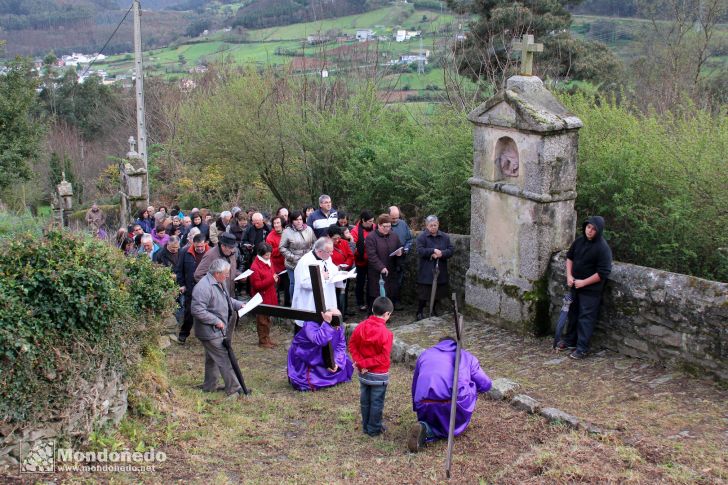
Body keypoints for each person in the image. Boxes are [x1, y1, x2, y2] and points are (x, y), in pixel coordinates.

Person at [407, 337, 492, 452]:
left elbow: (415, 384)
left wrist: (416, 406)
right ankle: (434, 431)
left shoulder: (425, 355)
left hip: (423, 403)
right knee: (471, 386)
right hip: (451, 404)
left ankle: (425, 427)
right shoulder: (466, 356)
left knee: (431, 418)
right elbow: (486, 384)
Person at [556, 216, 612, 360]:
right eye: (588, 227)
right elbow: (570, 258)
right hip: (575, 286)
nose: (590, 231)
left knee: (585, 318)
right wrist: (569, 276)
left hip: (591, 291)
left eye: (593, 229)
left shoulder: (603, 248)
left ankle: (582, 348)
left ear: (598, 231)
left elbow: (603, 273)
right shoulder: (579, 241)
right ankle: (570, 341)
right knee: (573, 314)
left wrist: (584, 282)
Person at [191, 259, 247, 398]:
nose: (228, 276)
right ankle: (234, 389)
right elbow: (197, 310)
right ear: (217, 273)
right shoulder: (203, 287)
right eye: (226, 273)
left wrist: (239, 304)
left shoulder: (219, 282)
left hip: (215, 330)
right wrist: (215, 321)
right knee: (224, 358)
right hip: (209, 331)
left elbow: (227, 300)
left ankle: (210, 385)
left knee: (212, 358)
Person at [348, 296, 394, 437]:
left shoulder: (361, 326)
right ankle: (373, 429)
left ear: (372, 309)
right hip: (378, 374)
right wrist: (364, 364)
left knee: (365, 401)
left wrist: (360, 362)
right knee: (376, 403)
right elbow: (383, 357)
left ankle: (366, 426)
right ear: (387, 314)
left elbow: (352, 345)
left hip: (364, 373)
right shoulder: (386, 334)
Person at [287, 308, 353, 391]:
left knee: (344, 364)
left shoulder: (338, 327)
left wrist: (336, 362)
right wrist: (327, 324)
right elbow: (319, 340)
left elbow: (341, 346)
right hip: (309, 357)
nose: (337, 328)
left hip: (328, 357)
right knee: (311, 380)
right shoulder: (310, 324)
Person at [291, 237, 339, 328]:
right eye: (329, 252)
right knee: (309, 327)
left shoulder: (326, 257)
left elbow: (331, 269)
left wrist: (340, 273)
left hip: (327, 297)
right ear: (320, 251)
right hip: (309, 301)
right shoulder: (305, 261)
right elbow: (303, 283)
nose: (331, 254)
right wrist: (321, 277)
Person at [415, 215, 454, 320]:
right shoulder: (422, 237)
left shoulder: (445, 237)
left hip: (440, 269)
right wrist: (432, 251)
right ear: (427, 226)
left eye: (435, 225)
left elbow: (451, 250)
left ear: (438, 224)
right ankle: (420, 311)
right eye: (431, 225)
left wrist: (442, 253)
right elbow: (420, 250)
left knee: (438, 292)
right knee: (424, 293)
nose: (433, 227)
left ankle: (433, 310)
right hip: (427, 269)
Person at [173, 234, 209, 344]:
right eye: (197, 246)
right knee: (189, 312)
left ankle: (208, 336)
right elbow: (179, 270)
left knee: (207, 312)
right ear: (193, 244)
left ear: (205, 243)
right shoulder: (185, 252)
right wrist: (182, 284)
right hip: (190, 287)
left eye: (201, 246)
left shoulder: (210, 253)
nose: (200, 248)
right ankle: (183, 334)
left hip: (207, 287)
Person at [365, 214, 403, 311]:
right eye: (385, 226)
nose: (387, 229)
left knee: (390, 292)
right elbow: (371, 255)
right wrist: (381, 267)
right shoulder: (371, 237)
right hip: (376, 272)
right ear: (379, 225)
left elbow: (400, 247)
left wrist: (400, 253)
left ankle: (386, 314)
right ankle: (373, 314)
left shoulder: (394, 236)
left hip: (391, 269)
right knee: (376, 294)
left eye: (389, 226)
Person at [194, 232, 241, 310]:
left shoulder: (232, 252)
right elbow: (198, 275)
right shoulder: (211, 255)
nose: (233, 250)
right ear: (223, 246)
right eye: (231, 248)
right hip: (216, 296)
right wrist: (214, 287)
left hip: (230, 292)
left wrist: (238, 275)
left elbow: (231, 269)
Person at [279, 210, 315, 300]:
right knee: (294, 283)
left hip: (307, 261)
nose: (299, 221)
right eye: (296, 219)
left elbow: (315, 243)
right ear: (292, 221)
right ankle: (293, 304)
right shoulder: (287, 231)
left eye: (300, 219)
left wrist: (311, 255)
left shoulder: (309, 229)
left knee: (307, 282)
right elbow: (282, 248)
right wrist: (293, 258)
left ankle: (306, 302)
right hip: (293, 262)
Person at [249, 242, 279, 349]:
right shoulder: (255, 267)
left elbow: (272, 273)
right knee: (262, 321)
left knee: (267, 319)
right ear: (261, 254)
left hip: (269, 294)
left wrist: (274, 277)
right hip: (261, 297)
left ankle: (267, 338)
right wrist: (272, 279)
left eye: (269, 254)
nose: (269, 256)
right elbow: (257, 285)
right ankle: (262, 341)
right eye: (266, 255)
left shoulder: (268, 261)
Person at [389, 206, 413, 310]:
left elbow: (409, 240)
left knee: (398, 280)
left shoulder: (403, 224)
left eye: (397, 218)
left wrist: (405, 249)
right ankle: (387, 303)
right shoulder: (384, 225)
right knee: (387, 280)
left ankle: (396, 301)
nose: (395, 220)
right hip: (387, 258)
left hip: (400, 257)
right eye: (393, 218)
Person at [351, 211, 376, 312]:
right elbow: (354, 247)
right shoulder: (355, 231)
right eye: (369, 221)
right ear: (363, 221)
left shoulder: (375, 227)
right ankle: (360, 302)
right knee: (360, 282)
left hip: (372, 261)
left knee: (372, 282)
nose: (372, 223)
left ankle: (370, 302)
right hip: (360, 261)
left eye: (373, 221)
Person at [328, 225, 354, 320]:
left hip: (343, 273)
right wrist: (335, 268)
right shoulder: (326, 245)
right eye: (334, 239)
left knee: (344, 293)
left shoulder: (344, 243)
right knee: (333, 294)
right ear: (329, 237)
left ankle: (343, 311)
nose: (337, 240)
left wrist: (346, 265)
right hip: (332, 275)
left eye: (339, 238)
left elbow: (350, 256)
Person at [266, 215, 290, 306]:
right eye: (274, 223)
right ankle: (276, 308)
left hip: (287, 265)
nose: (276, 225)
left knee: (288, 287)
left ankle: (288, 307)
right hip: (276, 267)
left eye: (278, 223)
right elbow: (270, 252)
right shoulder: (270, 237)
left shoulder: (287, 232)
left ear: (282, 223)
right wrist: (282, 248)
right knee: (275, 288)